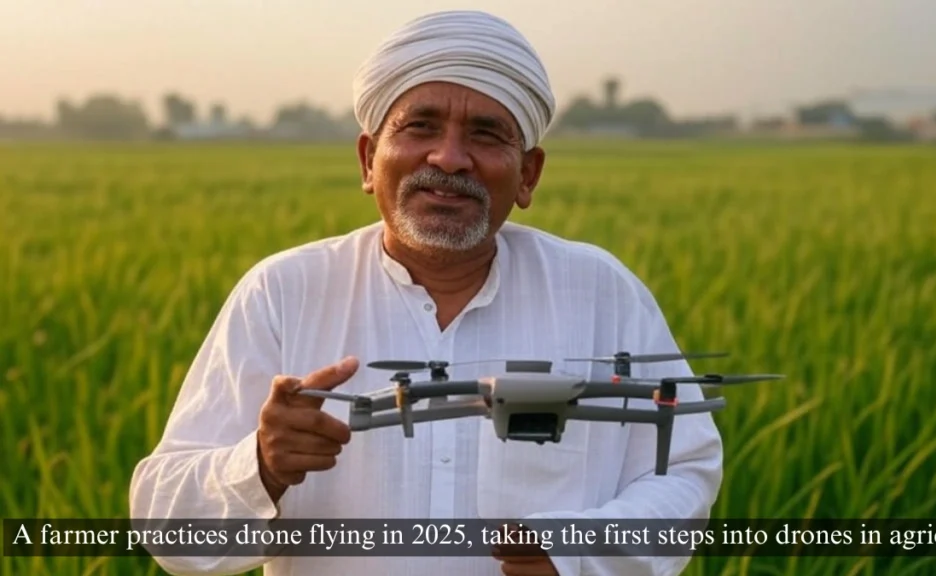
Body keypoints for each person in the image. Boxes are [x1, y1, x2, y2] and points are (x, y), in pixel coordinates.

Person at [129, 9, 723, 576]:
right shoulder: (285, 292)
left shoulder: (602, 293)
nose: (449, 158)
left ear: (529, 175)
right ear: (368, 160)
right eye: (421, 126)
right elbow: (165, 527)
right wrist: (259, 464)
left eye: (487, 135)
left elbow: (684, 469)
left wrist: (583, 552)